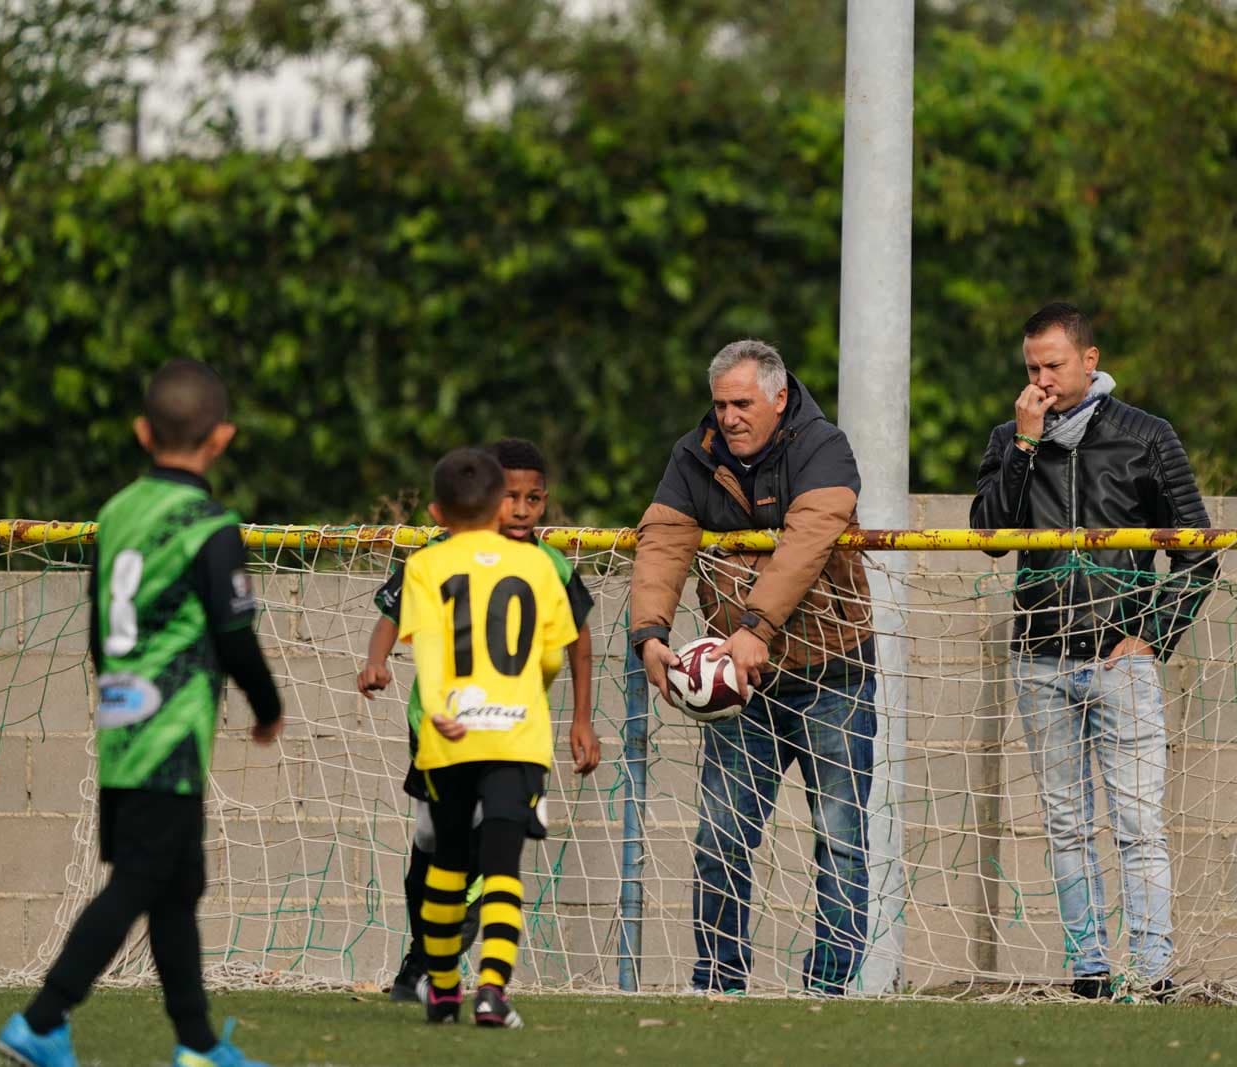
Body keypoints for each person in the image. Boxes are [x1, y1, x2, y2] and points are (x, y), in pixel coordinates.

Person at [0, 360, 282, 1067]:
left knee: (177, 884)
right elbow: (233, 632)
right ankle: (42, 1016)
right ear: (222, 438)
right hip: (171, 732)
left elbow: (98, 624)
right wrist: (268, 703)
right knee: (140, 881)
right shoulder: (210, 524)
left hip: (124, 723)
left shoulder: (117, 511)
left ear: (142, 432)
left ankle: (197, 1043)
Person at [970, 302, 1217, 999]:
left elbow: (1200, 552)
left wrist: (1154, 636)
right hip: (1040, 660)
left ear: (1089, 359)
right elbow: (989, 534)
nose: (1041, 378)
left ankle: (1152, 968)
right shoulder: (1009, 438)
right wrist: (1023, 445)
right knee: (1065, 825)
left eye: (1053, 364)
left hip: (1121, 661)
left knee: (1138, 824)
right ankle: (1089, 970)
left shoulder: (1147, 436)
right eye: (1030, 367)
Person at [628, 340, 878, 996]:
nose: (730, 416)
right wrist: (650, 634)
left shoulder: (825, 446)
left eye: (743, 403)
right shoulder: (695, 454)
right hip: (745, 692)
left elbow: (809, 540)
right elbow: (662, 539)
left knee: (841, 842)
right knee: (719, 839)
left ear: (779, 398)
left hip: (836, 675)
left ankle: (829, 989)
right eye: (720, 404)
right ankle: (717, 981)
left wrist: (754, 625)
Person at [358, 438, 599, 1002]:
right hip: (437, 730)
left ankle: (436, 970)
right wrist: (375, 661)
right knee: (431, 851)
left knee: (494, 843)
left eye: (532, 498)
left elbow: (577, 644)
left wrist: (581, 719)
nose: (520, 509)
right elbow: (394, 617)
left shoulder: (549, 565)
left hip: (512, 731)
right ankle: (434, 955)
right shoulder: (436, 557)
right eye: (508, 496)